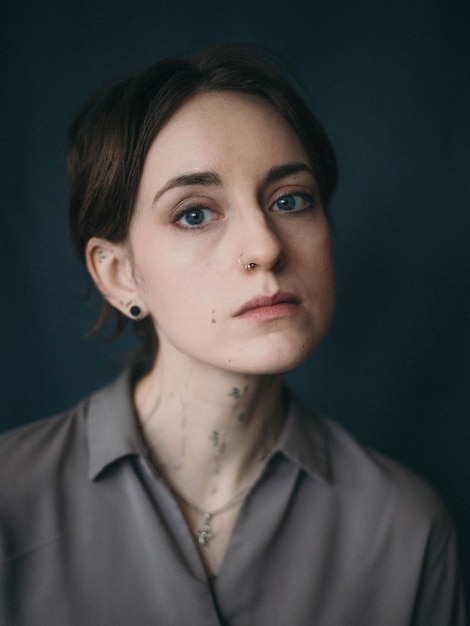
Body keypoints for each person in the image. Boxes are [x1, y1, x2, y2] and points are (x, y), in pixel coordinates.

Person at [0, 45, 465, 625]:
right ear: (119, 275)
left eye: (291, 200)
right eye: (195, 213)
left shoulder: (405, 528)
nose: (266, 246)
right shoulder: (11, 504)